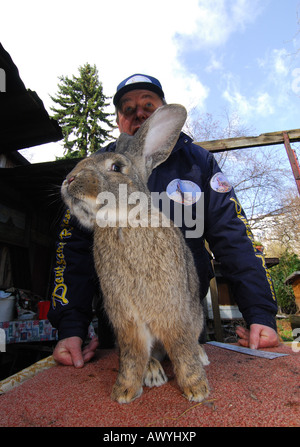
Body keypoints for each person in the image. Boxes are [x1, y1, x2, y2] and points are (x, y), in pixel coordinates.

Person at [48, 74, 279, 368]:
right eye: (128, 109)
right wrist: (71, 328)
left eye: (148, 105)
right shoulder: (96, 169)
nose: (139, 114)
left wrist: (260, 315)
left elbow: (233, 236)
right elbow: (73, 250)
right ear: (119, 120)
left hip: (184, 320)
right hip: (121, 329)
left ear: (162, 117)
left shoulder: (197, 163)